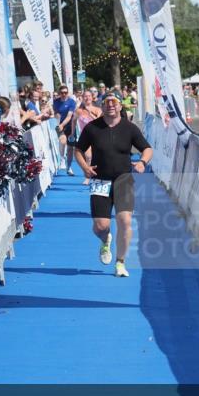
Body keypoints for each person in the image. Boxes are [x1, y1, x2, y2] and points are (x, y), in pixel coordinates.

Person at [75, 93, 153, 277]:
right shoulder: (92, 128)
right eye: (107, 102)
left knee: (125, 221)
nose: (110, 105)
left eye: (114, 102)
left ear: (120, 106)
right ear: (101, 106)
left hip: (123, 179)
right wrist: (85, 168)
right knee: (101, 227)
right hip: (99, 180)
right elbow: (78, 150)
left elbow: (147, 148)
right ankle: (105, 240)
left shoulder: (130, 128)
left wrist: (142, 162)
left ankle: (120, 262)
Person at [52, 84, 77, 174]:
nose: (64, 94)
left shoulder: (71, 102)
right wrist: (59, 125)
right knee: (62, 141)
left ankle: (69, 167)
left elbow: (69, 116)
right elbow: (56, 114)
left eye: (65, 93)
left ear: (68, 93)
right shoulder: (56, 102)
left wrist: (63, 124)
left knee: (70, 148)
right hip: (59, 124)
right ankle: (62, 159)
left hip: (70, 125)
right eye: (62, 93)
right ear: (59, 93)